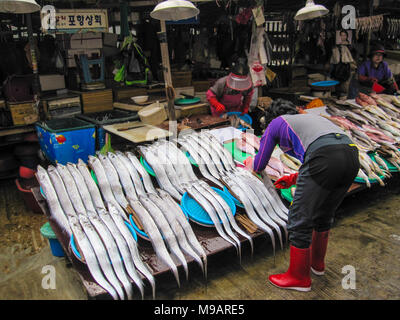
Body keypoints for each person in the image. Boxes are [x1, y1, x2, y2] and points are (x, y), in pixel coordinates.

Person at [243, 104, 360, 292]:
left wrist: (250, 163)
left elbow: (259, 165)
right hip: (351, 156)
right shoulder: (313, 121)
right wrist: (295, 178)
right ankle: (317, 265)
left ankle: (299, 277)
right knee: (324, 214)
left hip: (325, 159)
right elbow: (326, 152)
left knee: (299, 218)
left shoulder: (276, 123)